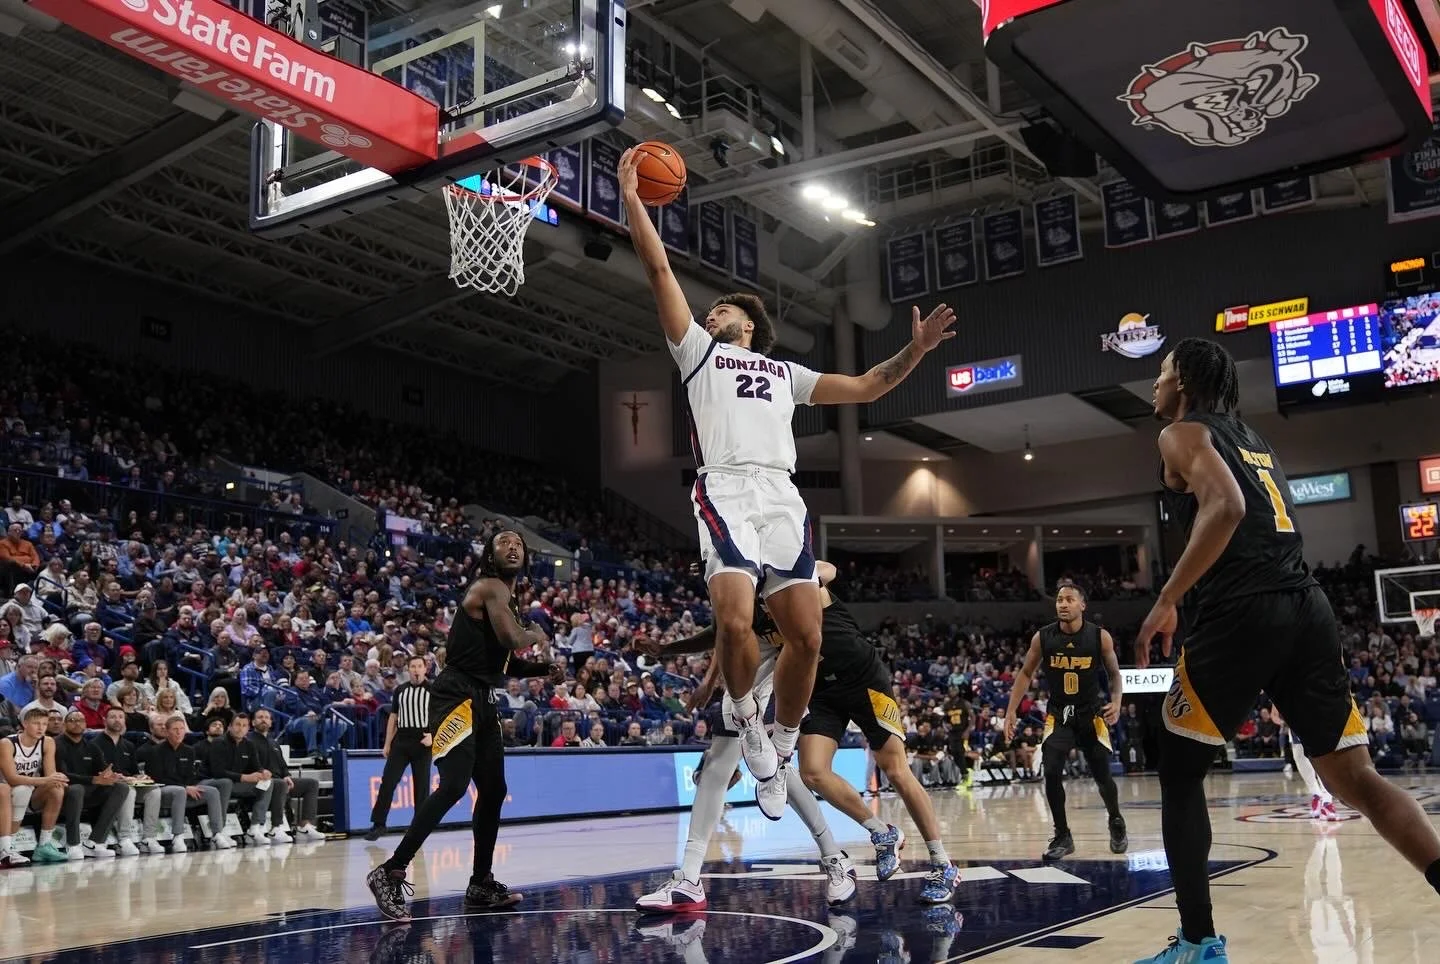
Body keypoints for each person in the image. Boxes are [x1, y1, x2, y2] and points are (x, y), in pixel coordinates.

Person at [617, 146, 957, 817]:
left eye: (722, 312)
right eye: (709, 311)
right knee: (736, 618)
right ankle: (747, 724)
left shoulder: (786, 374)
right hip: (726, 488)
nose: (711, 315)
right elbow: (658, 269)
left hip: (781, 495)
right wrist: (633, 197)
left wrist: (914, 352)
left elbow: (865, 384)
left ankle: (778, 739)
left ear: (751, 327)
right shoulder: (698, 354)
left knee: (806, 635)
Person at [1134, 338, 1440, 964]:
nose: (1153, 387)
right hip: (1308, 606)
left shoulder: (1181, 433)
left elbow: (1226, 505)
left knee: (1181, 770)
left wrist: (1167, 599)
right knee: (1356, 778)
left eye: (1161, 374)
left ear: (1185, 384)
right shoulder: (1252, 439)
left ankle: (1198, 944)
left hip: (1242, 611)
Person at [367, 530, 565, 922]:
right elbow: (513, 639)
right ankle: (390, 871)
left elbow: (503, 663)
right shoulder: (490, 587)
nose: (512, 546)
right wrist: (537, 633)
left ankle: (480, 882)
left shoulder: (506, 599)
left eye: (519, 543)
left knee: (493, 789)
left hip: (483, 697)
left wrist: (544, 669)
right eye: (504, 541)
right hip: (455, 694)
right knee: (456, 784)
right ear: (490, 554)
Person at [631, 584, 858, 913]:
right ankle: (690, 879)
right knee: (715, 768)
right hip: (743, 680)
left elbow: (824, 573)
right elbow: (723, 629)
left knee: (778, 771)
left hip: (782, 675)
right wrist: (679, 661)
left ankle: (833, 858)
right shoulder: (731, 566)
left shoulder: (775, 559)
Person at [791, 561, 959, 904]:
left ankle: (943, 864)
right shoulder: (753, 609)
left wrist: (796, 573)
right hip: (820, 690)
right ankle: (882, 833)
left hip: (864, 677)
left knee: (896, 769)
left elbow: (829, 568)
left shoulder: (791, 578)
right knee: (812, 772)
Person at [1003, 582, 1127, 861]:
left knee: (1102, 776)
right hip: (1059, 714)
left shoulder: (1099, 637)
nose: (1062, 604)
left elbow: (1115, 674)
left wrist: (1117, 702)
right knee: (1051, 771)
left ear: (1082, 605)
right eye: (1059, 599)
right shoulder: (1043, 637)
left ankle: (1116, 820)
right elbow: (1024, 673)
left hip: (1091, 713)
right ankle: (1062, 834)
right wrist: (1010, 711)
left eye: (1070, 599)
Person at [365, 654, 432, 841]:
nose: (417, 670)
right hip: (402, 740)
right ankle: (378, 824)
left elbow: (442, 714)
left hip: (423, 740)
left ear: (425, 669)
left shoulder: (434, 690)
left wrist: (434, 736)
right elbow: (393, 717)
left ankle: (419, 827)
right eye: (413, 666)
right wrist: (387, 744)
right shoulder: (401, 690)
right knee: (388, 781)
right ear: (408, 669)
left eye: (420, 666)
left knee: (422, 786)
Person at [0, 706, 69, 862]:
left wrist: (57, 779)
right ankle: (5, 848)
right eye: (36, 723)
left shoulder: (48, 742)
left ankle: (44, 845)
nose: (41, 728)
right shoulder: (7, 743)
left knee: (56, 789)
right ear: (25, 724)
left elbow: (51, 775)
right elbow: (12, 779)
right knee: (20, 789)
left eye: (44, 724)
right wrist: (46, 780)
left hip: (28, 792)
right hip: (6, 792)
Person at [1273, 708, 1339, 821]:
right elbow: (1274, 713)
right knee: (1299, 756)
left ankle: (1327, 801)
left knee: (1320, 755)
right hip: (1295, 715)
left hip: (1317, 711)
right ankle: (1316, 794)